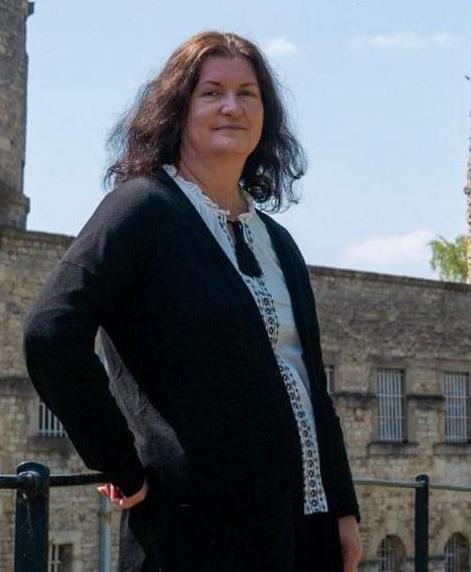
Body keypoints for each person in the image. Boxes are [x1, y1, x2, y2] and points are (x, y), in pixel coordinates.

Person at [24, 31, 362, 571]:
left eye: (248, 93)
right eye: (212, 93)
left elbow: (309, 386)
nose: (232, 107)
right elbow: (50, 331)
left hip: (303, 531)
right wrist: (120, 461)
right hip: (195, 536)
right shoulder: (142, 209)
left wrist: (342, 510)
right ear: (178, 109)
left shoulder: (277, 242)